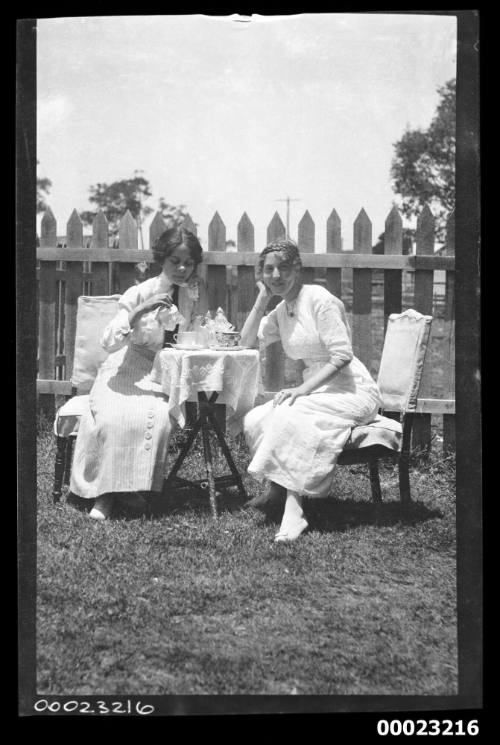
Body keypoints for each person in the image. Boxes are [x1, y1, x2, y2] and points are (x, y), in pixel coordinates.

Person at [240, 239, 381, 543]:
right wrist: (261, 300)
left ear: (298, 268)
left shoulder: (319, 299)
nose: (276, 275)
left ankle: (295, 510)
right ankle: (276, 490)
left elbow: (342, 356)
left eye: (284, 268)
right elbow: (245, 342)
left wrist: (302, 389)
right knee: (257, 417)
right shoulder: (281, 309)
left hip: (351, 389)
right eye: (269, 269)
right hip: (317, 391)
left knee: (294, 413)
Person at [69, 226, 206, 520]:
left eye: (188, 263)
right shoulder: (140, 292)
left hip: (160, 372)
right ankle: (105, 496)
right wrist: (140, 310)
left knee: (156, 417)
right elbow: (108, 343)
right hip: (123, 368)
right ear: (162, 260)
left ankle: (131, 488)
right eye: (174, 261)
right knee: (115, 416)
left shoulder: (192, 295)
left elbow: (193, 335)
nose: (182, 268)